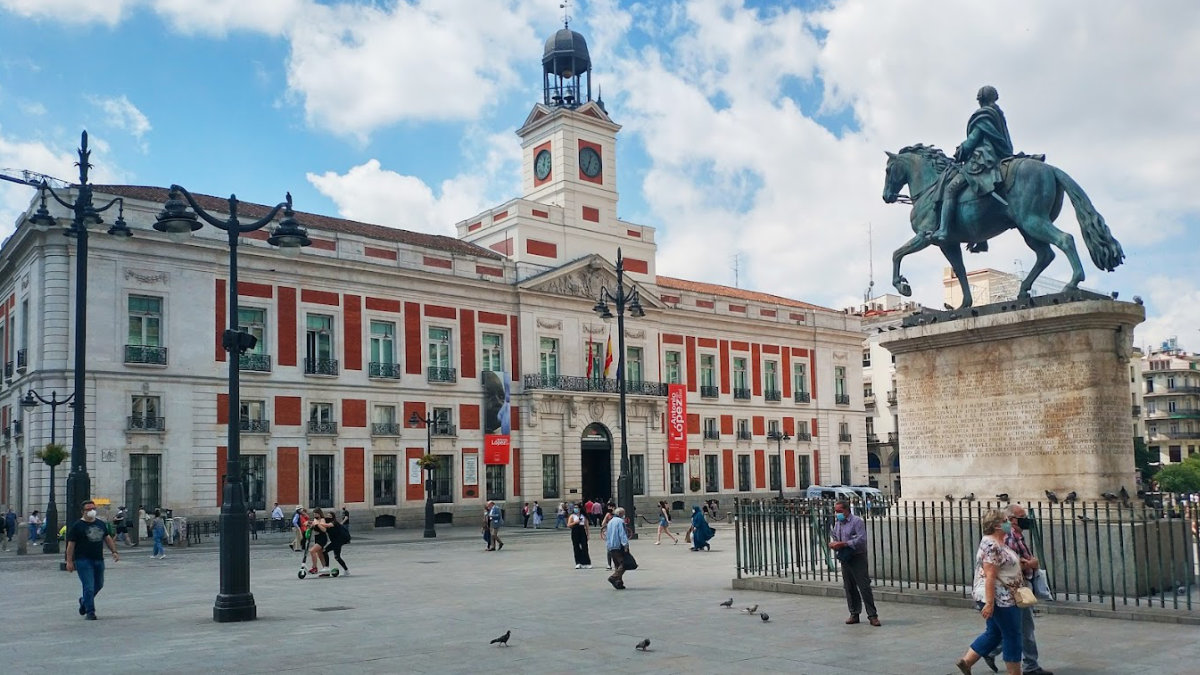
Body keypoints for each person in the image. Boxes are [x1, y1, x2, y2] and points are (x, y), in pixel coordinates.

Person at [930, 85, 1014, 244]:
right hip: (999, 155)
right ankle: (981, 239)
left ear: (981, 99)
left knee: (950, 189)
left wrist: (961, 150)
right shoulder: (997, 114)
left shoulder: (983, 115)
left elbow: (973, 139)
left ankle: (944, 230)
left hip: (983, 157)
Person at [983, 505, 1053, 675]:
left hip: (1018, 587)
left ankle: (989, 651)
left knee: (1015, 628)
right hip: (1015, 589)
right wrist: (1031, 564)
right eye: (1021, 516)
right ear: (1012, 519)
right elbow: (1008, 565)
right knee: (1021, 629)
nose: (1026, 519)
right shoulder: (1010, 537)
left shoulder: (1015, 535)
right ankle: (1030, 665)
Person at [956, 509, 1026, 675]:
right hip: (1001, 598)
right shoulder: (992, 545)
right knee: (1012, 635)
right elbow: (990, 576)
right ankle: (1014, 672)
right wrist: (989, 603)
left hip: (1004, 595)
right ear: (997, 525)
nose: (1010, 523)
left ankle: (967, 662)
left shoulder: (998, 542)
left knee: (994, 632)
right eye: (1006, 520)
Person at [65, 499, 120, 620]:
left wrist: (114, 551)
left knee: (99, 584)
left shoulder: (100, 523)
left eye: (93, 509)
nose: (92, 511)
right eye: (88, 509)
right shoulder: (77, 526)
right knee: (88, 586)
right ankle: (90, 611)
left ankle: (84, 601)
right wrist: (69, 561)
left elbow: (107, 538)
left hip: (98, 559)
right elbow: (71, 545)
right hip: (83, 560)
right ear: (82, 512)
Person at [829, 501, 880, 627]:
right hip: (845, 557)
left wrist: (845, 544)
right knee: (849, 587)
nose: (837, 514)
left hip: (857, 556)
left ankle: (872, 615)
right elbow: (836, 536)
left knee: (864, 587)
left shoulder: (856, 521)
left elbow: (861, 539)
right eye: (836, 511)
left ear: (847, 510)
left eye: (840, 511)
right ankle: (854, 613)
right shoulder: (838, 523)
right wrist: (834, 544)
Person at [605, 507, 630, 590]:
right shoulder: (620, 521)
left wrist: (608, 546)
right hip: (618, 545)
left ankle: (619, 583)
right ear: (620, 514)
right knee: (624, 563)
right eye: (623, 513)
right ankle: (614, 577)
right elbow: (622, 533)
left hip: (611, 546)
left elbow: (607, 535)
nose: (624, 515)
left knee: (617, 565)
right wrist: (625, 545)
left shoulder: (610, 522)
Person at [568, 503, 591, 569]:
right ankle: (578, 562)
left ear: (580, 508)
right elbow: (569, 525)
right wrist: (575, 522)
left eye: (577, 508)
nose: (575, 509)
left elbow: (587, 526)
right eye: (575, 508)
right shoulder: (572, 516)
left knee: (584, 547)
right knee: (576, 547)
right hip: (575, 531)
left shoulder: (583, 516)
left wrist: (588, 534)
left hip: (582, 531)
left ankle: (586, 562)